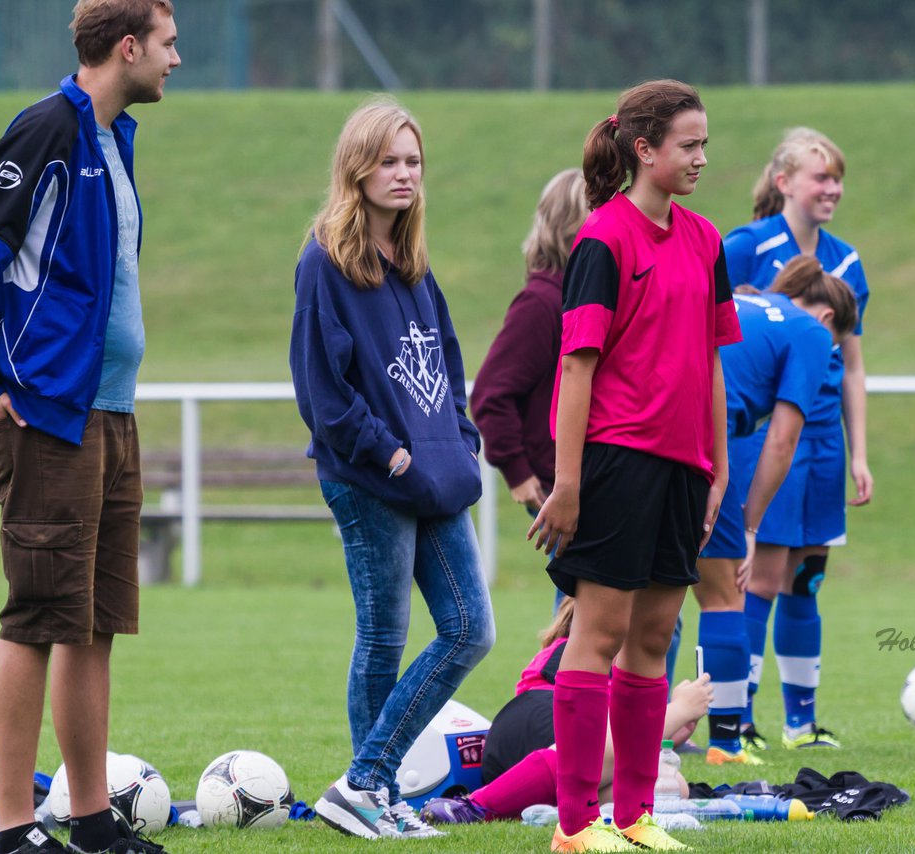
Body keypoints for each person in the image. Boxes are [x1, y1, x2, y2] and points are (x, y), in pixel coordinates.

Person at [527, 78, 741, 852]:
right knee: (601, 633)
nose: (701, 159)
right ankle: (577, 827)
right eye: (688, 145)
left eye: (704, 144)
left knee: (654, 638)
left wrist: (715, 470)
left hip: (684, 469)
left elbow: (715, 361)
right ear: (644, 150)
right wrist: (570, 483)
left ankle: (635, 816)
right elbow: (577, 368)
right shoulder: (602, 241)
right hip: (616, 463)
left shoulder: (707, 239)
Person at [0, 2, 179, 852]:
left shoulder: (115, 137)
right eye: (169, 45)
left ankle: (93, 820)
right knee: (37, 617)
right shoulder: (46, 130)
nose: (177, 60)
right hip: (46, 415)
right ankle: (14, 824)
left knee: (93, 621)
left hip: (111, 413)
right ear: (128, 46)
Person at [290, 98, 495, 841]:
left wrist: (459, 434)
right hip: (371, 476)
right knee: (384, 635)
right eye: (389, 161)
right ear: (357, 168)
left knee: (471, 628)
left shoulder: (412, 264)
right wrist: (390, 449)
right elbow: (322, 389)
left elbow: (445, 357)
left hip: (437, 474)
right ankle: (370, 791)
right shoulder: (325, 259)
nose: (404, 174)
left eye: (413, 162)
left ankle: (365, 782)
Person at [722, 127, 872, 751]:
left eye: (837, 177)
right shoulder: (744, 247)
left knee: (806, 580)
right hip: (764, 430)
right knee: (758, 577)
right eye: (820, 176)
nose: (831, 187)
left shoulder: (846, 260)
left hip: (821, 441)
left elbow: (855, 362)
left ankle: (800, 723)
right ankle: (741, 719)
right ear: (784, 182)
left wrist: (860, 451)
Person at [694, 256, 857, 765]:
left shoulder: (742, 300)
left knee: (641, 598)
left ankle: (639, 734)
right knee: (724, 598)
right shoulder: (810, 333)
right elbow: (783, 439)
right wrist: (748, 524)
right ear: (829, 321)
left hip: (637, 429)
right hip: (701, 440)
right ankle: (726, 742)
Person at [420, 597, 713, 824]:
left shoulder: (585, 646)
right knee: (619, 753)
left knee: (672, 784)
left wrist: (671, 736)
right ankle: (473, 806)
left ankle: (541, 804)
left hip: (524, 743)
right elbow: (622, 728)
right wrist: (679, 710)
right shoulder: (588, 650)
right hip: (544, 722)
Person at [471, 168, 588, 519]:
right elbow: (491, 395)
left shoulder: (581, 298)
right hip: (558, 488)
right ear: (572, 227)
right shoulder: (540, 303)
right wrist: (518, 473)